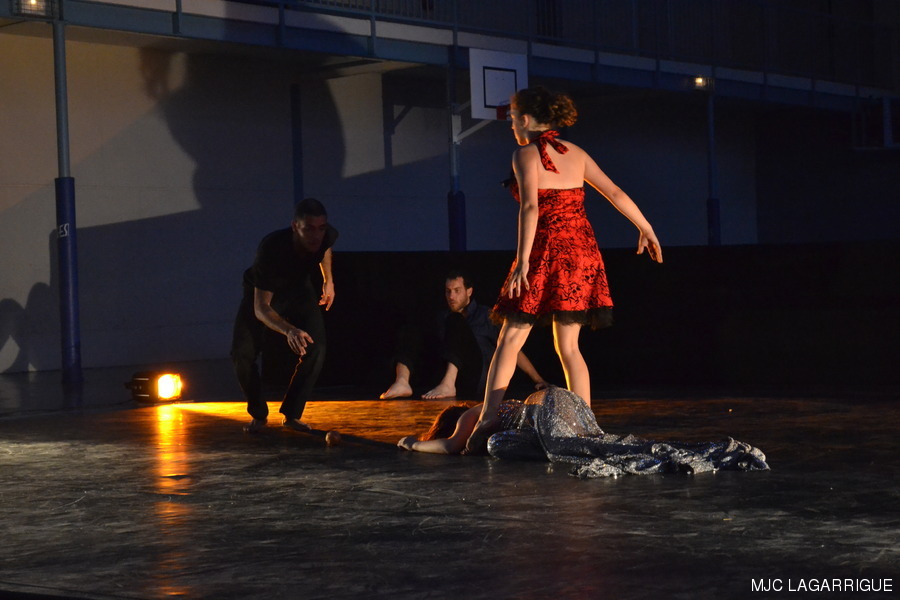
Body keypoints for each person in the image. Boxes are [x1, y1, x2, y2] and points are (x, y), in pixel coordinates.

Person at [465, 86, 663, 453]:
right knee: (569, 346)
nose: (511, 125)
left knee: (510, 339)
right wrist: (646, 227)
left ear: (526, 120)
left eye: (512, 119)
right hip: (581, 253)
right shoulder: (577, 153)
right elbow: (615, 192)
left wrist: (523, 261)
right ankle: (585, 428)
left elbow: (530, 208)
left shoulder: (524, 154)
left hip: (546, 251)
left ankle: (486, 421)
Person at [399, 387, 770, 478]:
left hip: (545, 410)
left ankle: (700, 452)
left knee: (575, 447)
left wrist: (413, 443)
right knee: (598, 442)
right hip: (563, 401)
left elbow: (451, 446)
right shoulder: (498, 415)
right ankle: (705, 449)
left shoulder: (472, 414)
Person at [231, 198, 337, 434]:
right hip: (263, 293)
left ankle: (292, 414)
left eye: (320, 228)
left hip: (298, 290)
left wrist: (328, 280)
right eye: (309, 229)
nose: (316, 236)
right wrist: (289, 330)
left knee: (316, 347)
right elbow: (262, 308)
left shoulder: (325, 235)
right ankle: (259, 414)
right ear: (294, 227)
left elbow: (325, 247)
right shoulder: (272, 250)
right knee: (242, 354)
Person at [380, 270, 547, 401]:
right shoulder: (442, 316)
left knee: (455, 320)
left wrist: (538, 379)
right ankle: (402, 381)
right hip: (443, 373)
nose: (451, 296)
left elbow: (512, 348)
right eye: (448, 291)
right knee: (411, 328)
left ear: (469, 291)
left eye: (457, 291)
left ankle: (448, 384)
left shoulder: (486, 315)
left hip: (474, 377)